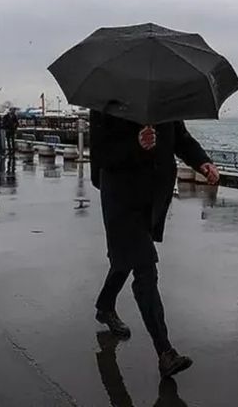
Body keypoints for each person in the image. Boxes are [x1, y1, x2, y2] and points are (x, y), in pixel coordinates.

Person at [90, 110, 220, 378]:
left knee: (125, 258)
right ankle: (165, 352)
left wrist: (202, 162)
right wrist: (135, 144)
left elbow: (181, 138)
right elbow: (101, 154)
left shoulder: (163, 99)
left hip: (151, 201)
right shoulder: (106, 102)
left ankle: (104, 306)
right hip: (120, 198)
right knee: (145, 267)